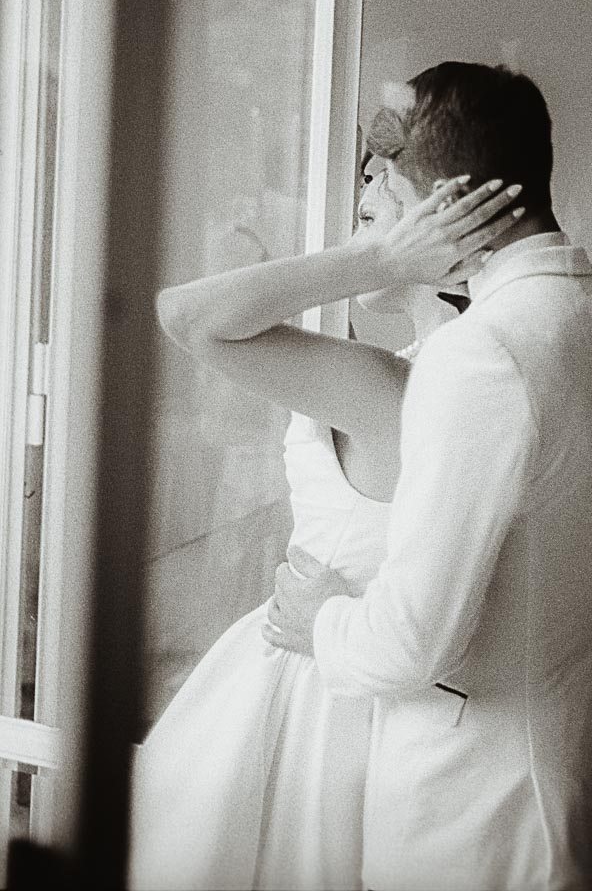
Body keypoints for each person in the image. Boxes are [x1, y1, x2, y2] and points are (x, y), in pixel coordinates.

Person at [267, 61, 592, 891]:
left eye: (392, 192)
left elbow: (411, 642)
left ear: (448, 205)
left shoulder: (480, 354)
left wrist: (319, 621)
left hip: (485, 816)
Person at [128, 147, 518, 890]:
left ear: (444, 222)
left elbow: (185, 315)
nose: (365, 186)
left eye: (384, 185)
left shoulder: (395, 385)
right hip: (329, 665)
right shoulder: (422, 372)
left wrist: (374, 260)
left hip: (321, 693)